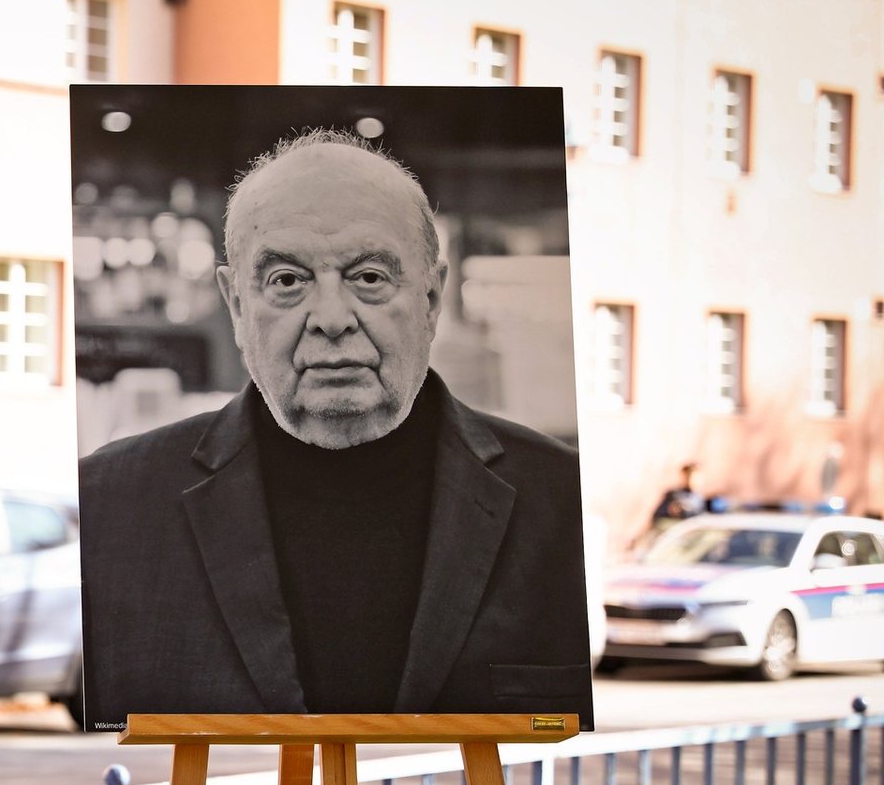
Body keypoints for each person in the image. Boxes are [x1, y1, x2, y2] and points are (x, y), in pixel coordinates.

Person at [78, 128, 592, 727]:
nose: (330, 319)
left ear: (431, 299)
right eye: (287, 281)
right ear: (237, 305)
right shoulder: (110, 506)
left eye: (369, 277)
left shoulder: (559, 502)